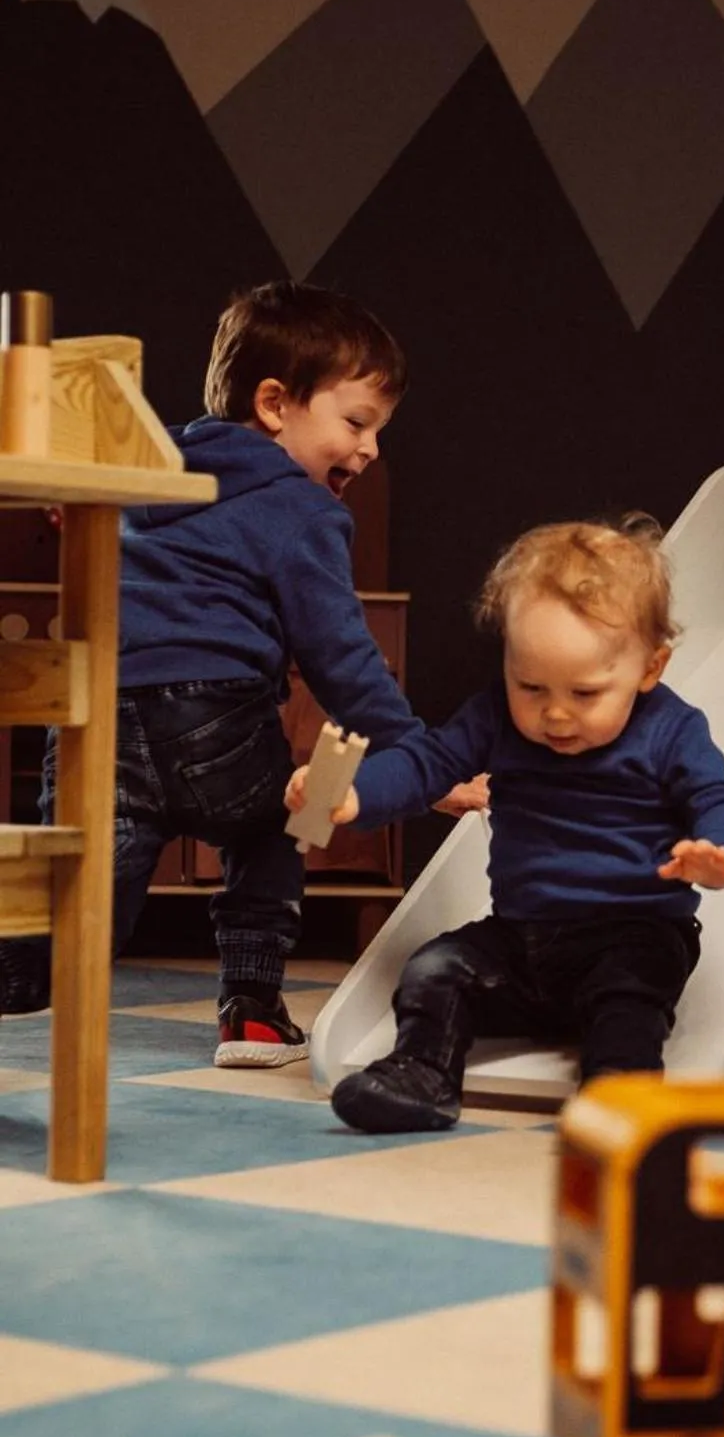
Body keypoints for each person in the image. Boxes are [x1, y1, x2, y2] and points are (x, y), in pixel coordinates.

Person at [0, 280, 422, 1067]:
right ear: (274, 404)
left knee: (78, 894)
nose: (369, 449)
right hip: (216, 722)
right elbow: (341, 657)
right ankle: (254, 1011)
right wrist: (414, 752)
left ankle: (21, 985)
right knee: (279, 825)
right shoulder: (303, 510)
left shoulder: (135, 468)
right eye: (357, 423)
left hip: (94, 716)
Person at [290, 516, 724, 1134]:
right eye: (529, 685)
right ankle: (423, 1075)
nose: (555, 713)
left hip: (634, 933)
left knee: (629, 999)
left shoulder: (671, 729)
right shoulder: (495, 719)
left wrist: (719, 851)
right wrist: (353, 795)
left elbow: (720, 795)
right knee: (433, 969)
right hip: (521, 939)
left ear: (650, 668)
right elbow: (428, 764)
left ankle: (619, 1098)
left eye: (585, 693)